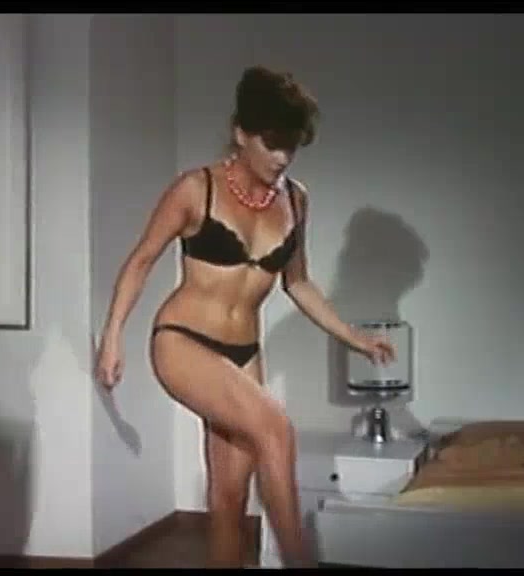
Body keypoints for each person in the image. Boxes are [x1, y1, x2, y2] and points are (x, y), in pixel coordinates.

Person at [94, 66, 395, 568]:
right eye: (272, 143)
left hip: (245, 352)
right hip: (184, 341)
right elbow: (141, 260)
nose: (282, 158)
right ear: (240, 133)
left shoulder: (296, 200)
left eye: (291, 146)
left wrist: (354, 337)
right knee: (277, 428)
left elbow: (298, 282)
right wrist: (113, 336)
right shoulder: (197, 189)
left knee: (230, 498)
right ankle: (300, 562)